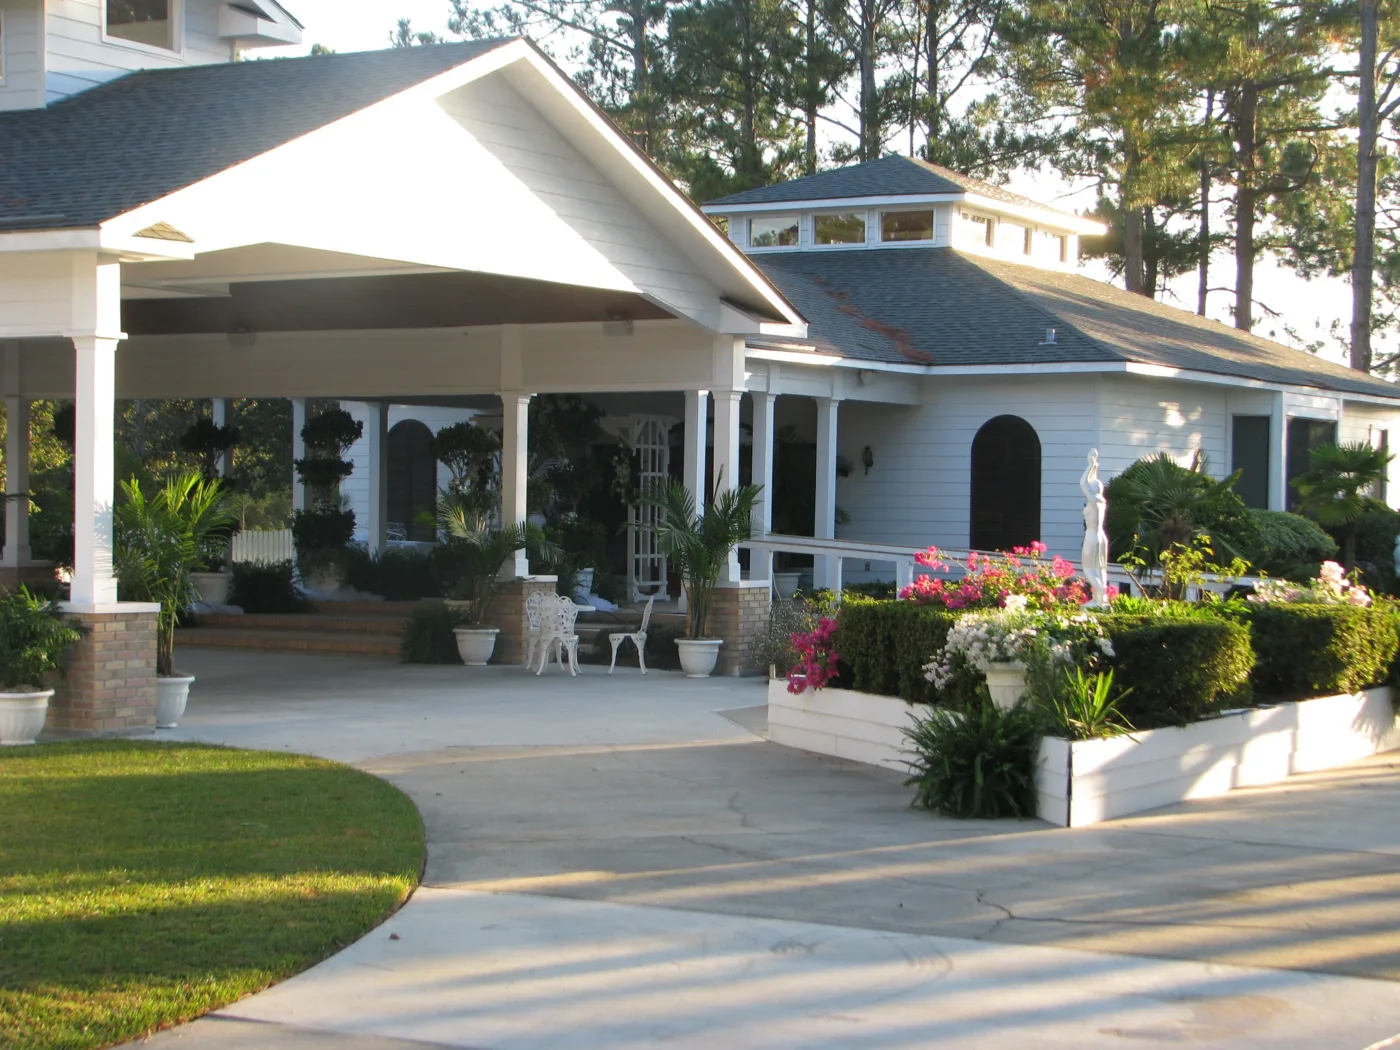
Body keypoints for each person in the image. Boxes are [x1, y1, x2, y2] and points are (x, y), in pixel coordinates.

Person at [1081, 449, 1110, 607]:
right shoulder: (1101, 501)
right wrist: (1094, 466)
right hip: (1101, 536)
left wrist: (1091, 464)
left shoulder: (1092, 501)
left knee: (1088, 569)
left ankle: (1102, 595)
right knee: (1100, 568)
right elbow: (1091, 482)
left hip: (1091, 536)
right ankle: (1100, 600)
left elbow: (1083, 483)